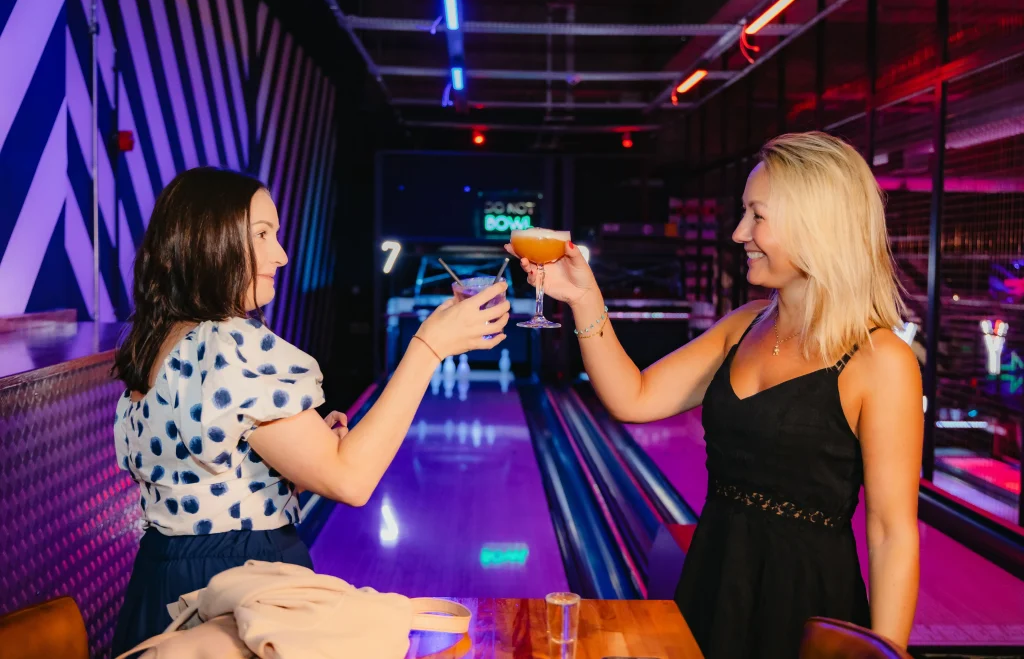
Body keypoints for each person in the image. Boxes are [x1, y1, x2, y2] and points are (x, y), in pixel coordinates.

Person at [507, 132, 922, 657]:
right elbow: (634, 398)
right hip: (712, 583)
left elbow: (891, 533)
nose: (738, 232)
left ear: (818, 226)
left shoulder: (880, 360)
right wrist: (585, 298)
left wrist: (883, 653)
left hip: (806, 609)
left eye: (757, 216)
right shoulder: (744, 325)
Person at [110, 166, 510, 653]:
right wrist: (428, 346)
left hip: (159, 590)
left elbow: (210, 477)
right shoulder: (232, 343)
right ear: (208, 242)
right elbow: (351, 481)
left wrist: (304, 454)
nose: (279, 255)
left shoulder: (154, 346)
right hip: (239, 591)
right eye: (261, 235)